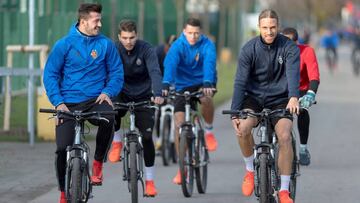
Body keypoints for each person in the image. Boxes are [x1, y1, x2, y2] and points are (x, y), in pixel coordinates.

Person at [43, 3, 124, 203]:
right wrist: (58, 102)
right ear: (83, 21)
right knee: (62, 149)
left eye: (100, 19)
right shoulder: (64, 44)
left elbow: (116, 72)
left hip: (95, 99)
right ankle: (63, 192)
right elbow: (50, 75)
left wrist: (108, 91)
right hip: (67, 103)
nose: (100, 24)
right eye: (96, 20)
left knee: (109, 118)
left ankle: (97, 163)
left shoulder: (106, 44)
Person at [229, 9, 300, 203]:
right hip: (253, 98)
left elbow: (293, 73)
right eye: (265, 28)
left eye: (273, 27)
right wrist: (235, 111)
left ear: (278, 26)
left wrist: (294, 96)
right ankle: (250, 170)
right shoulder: (248, 49)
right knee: (243, 129)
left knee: (285, 135)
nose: (269, 32)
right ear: (258, 27)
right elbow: (240, 82)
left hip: (280, 99)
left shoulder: (289, 48)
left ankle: (284, 190)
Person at [106, 19, 164, 197]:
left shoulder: (146, 49)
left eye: (131, 37)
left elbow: (154, 70)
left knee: (147, 137)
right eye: (124, 38)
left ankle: (150, 181)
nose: (128, 41)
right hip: (121, 91)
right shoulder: (114, 49)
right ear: (119, 37)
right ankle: (116, 142)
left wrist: (158, 92)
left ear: (136, 36)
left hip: (144, 95)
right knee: (111, 110)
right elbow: (106, 72)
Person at [162, 17, 217, 185]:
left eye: (196, 33)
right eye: (190, 33)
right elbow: (170, 64)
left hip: (203, 82)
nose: (193, 36)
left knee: (206, 99)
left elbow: (209, 62)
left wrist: (208, 81)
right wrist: (165, 83)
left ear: (200, 33)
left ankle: (208, 131)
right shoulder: (178, 45)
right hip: (182, 85)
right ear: (184, 32)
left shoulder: (207, 44)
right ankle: (182, 168)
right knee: (179, 126)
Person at [282, 27, 320, 166]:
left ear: (297, 41)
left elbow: (314, 76)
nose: (286, 45)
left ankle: (303, 148)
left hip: (301, 89)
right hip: (282, 90)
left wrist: (310, 94)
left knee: (302, 110)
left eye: (290, 41)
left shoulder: (307, 51)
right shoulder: (277, 51)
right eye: (283, 41)